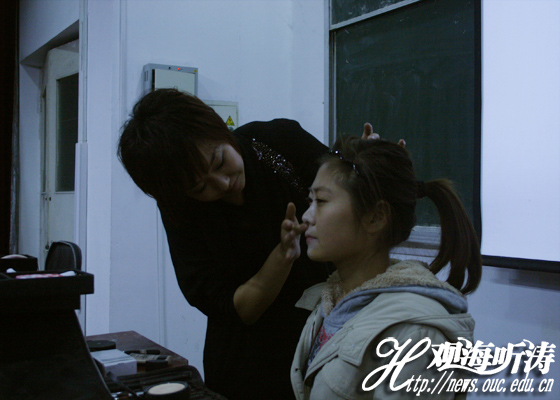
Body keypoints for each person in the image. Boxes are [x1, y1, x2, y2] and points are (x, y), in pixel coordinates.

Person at [118, 88, 352, 400]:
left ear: (218, 128)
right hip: (247, 366)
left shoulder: (276, 141)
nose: (223, 183)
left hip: (324, 339)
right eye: (200, 187)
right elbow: (239, 309)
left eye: (219, 161)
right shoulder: (182, 211)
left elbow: (346, 186)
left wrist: (369, 169)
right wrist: (283, 256)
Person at [289, 136, 482, 399]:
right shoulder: (330, 302)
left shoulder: (417, 338)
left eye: (321, 201)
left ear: (375, 217)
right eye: (310, 200)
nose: (306, 216)